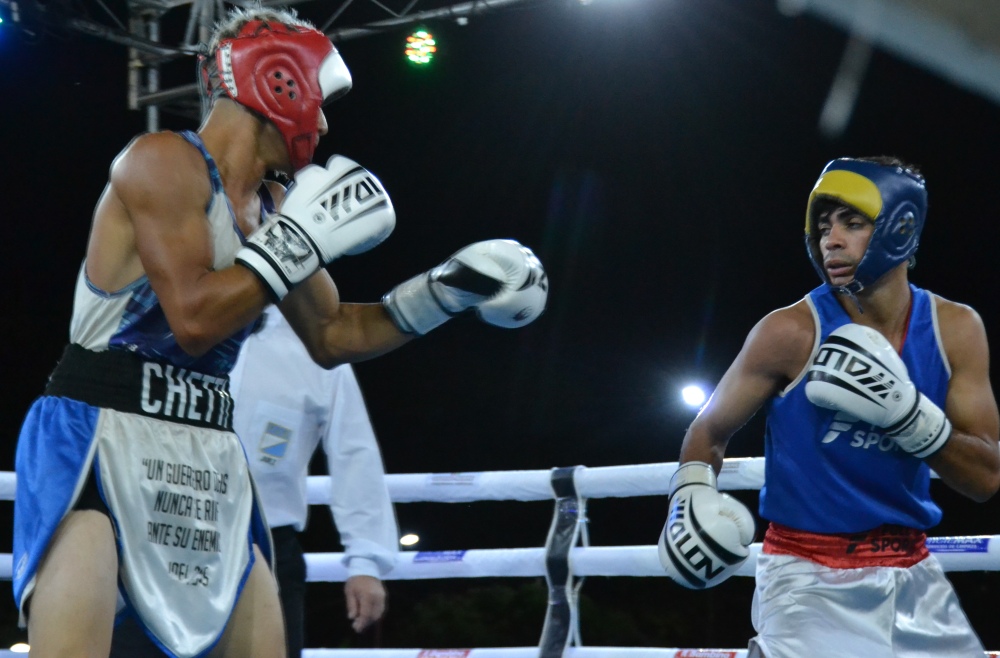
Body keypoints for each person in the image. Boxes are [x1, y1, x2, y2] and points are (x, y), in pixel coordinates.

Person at [12, 5, 548, 658]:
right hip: (99, 431)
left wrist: (445, 291)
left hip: (206, 450)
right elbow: (194, 320)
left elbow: (334, 335)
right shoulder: (160, 162)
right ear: (277, 81)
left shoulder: (271, 209)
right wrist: (296, 242)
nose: (322, 123)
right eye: (319, 102)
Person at [656, 156, 999, 657]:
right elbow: (708, 430)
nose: (830, 240)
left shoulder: (956, 330)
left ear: (900, 227)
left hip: (910, 569)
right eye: (823, 227)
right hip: (805, 573)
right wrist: (688, 499)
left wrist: (912, 420)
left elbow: (987, 478)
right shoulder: (789, 331)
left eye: (852, 223)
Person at [109, 306, 397, 656]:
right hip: (165, 535)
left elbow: (354, 454)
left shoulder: (316, 349)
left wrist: (366, 562)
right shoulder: (164, 331)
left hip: (268, 545)